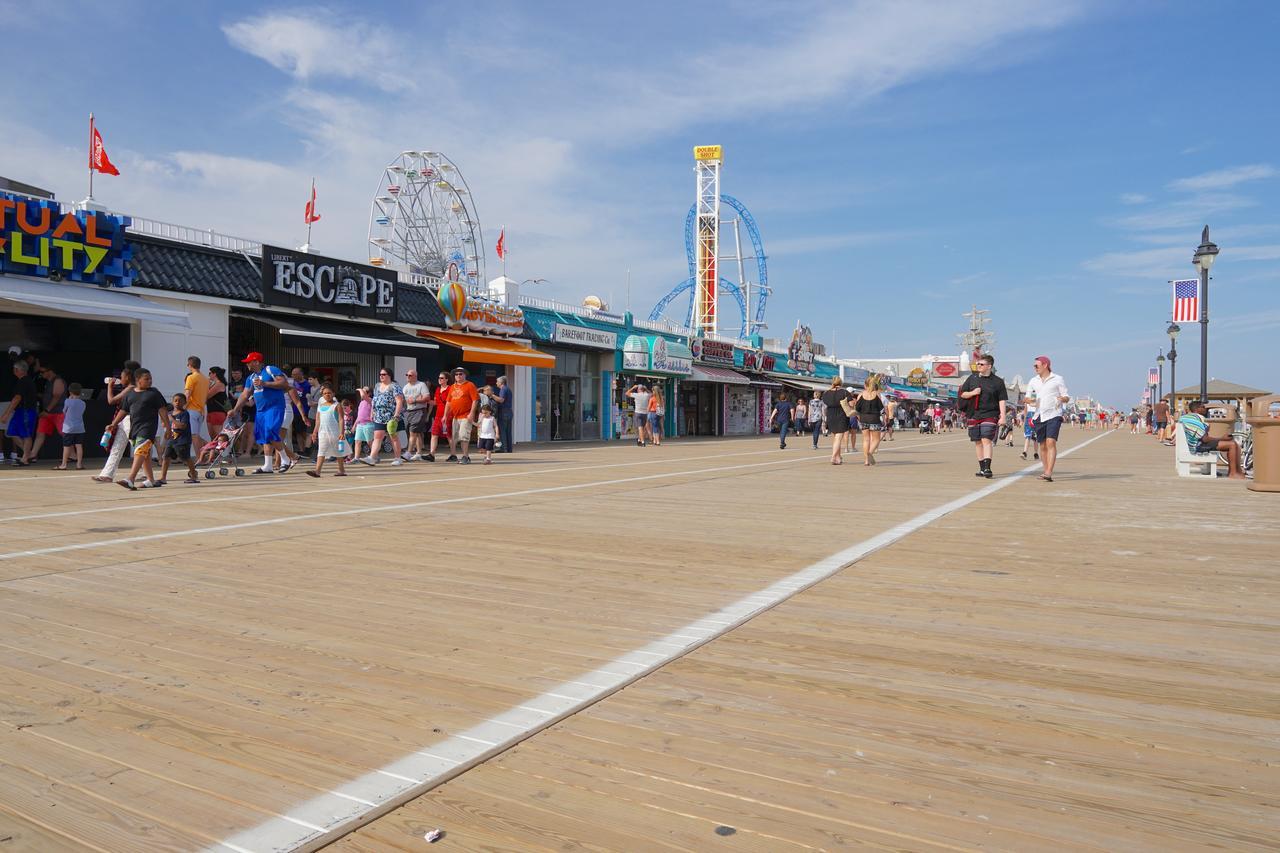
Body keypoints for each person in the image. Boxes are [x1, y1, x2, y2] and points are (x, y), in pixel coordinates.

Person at [226, 352, 296, 475]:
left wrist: (265, 383)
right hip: (260, 410)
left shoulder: (270, 370)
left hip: (274, 407)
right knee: (264, 437)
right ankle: (267, 466)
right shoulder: (251, 377)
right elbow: (245, 395)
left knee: (270, 431)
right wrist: (235, 409)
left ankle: (286, 459)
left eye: (249, 361)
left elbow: (284, 383)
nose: (247, 364)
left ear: (256, 362)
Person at [110, 368, 171, 490]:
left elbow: (162, 410)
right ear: (138, 380)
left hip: (148, 428)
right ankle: (150, 480)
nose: (150, 381)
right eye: (146, 379)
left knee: (140, 451)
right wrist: (114, 423)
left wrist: (168, 427)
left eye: (150, 378)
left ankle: (130, 479)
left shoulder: (154, 393)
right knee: (145, 454)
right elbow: (123, 410)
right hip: (135, 428)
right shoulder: (130, 394)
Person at [957, 353, 1009, 479]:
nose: (978, 366)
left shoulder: (998, 382)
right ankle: (981, 468)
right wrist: (973, 392)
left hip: (991, 414)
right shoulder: (972, 378)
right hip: (973, 414)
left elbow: (1002, 400)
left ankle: (987, 468)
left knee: (986, 439)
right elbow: (962, 394)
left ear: (989, 366)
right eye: (977, 364)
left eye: (981, 364)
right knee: (978, 442)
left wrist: (1003, 417)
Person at [1026, 355, 1070, 482]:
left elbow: (1066, 395)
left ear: (1045, 365)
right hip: (1038, 415)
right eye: (1034, 366)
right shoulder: (1033, 381)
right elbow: (1027, 398)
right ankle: (1045, 470)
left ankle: (1049, 472)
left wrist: (1063, 399)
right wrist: (1029, 400)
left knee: (1051, 442)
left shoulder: (1057, 379)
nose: (1034, 368)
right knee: (1043, 445)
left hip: (1054, 414)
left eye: (1036, 365)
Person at [1179, 400, 1246, 479]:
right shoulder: (1201, 419)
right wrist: (1222, 438)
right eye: (1203, 407)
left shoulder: (1186, 417)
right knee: (1232, 444)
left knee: (1233, 444)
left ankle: (1235, 471)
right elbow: (1205, 439)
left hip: (1190, 444)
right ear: (1197, 409)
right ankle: (1233, 473)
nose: (1205, 409)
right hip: (1197, 446)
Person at [359, 368, 405, 466]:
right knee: (377, 437)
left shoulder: (394, 386)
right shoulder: (377, 386)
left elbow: (399, 401)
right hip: (379, 415)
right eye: (380, 374)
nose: (381, 376)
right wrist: (372, 412)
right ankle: (372, 458)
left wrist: (396, 415)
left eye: (384, 374)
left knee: (393, 437)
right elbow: (375, 400)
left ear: (389, 375)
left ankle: (398, 458)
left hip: (391, 416)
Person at [0, 360, 38, 465]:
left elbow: (17, 398)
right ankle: (29, 454)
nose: (13, 371)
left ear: (18, 370)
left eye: (14, 369)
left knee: (26, 435)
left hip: (26, 411)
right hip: (21, 411)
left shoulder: (24, 381)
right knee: (11, 432)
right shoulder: (23, 381)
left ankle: (25, 459)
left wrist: (6, 414)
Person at [308, 384, 348, 478]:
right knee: (321, 451)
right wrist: (314, 432)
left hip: (335, 432)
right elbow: (318, 420)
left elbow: (341, 419)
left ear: (333, 393)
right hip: (323, 432)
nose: (327, 395)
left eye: (329, 393)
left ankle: (341, 470)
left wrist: (342, 432)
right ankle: (317, 471)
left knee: (338, 452)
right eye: (325, 393)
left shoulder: (337, 405)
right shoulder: (320, 405)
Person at [159, 392, 199, 485]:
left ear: (184, 403)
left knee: (186, 458)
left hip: (182, 440)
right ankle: (163, 477)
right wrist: (166, 430)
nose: (177, 402)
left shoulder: (184, 414)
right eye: (175, 400)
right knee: (166, 457)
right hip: (172, 439)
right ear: (172, 402)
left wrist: (171, 419)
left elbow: (182, 426)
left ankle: (194, 476)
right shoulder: (171, 413)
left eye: (180, 401)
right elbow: (167, 425)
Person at [30, 366, 66, 462]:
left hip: (58, 412)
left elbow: (57, 396)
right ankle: (33, 454)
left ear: (50, 370)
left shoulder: (58, 380)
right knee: (40, 432)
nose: (41, 374)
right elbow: (50, 395)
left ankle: (73, 455)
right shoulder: (49, 382)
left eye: (42, 372)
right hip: (48, 413)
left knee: (64, 433)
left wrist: (47, 410)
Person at [445, 367, 480, 463]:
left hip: (465, 415)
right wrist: (445, 415)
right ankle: (456, 455)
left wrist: (472, 413)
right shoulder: (452, 387)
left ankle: (465, 456)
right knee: (456, 437)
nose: (458, 376)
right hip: (455, 417)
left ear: (465, 375)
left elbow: (475, 400)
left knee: (464, 436)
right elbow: (448, 402)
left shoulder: (470, 385)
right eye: (456, 374)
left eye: (461, 374)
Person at [854, 374, 887, 466]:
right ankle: (870, 453)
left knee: (866, 440)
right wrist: (884, 419)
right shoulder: (877, 394)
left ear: (865, 385)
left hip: (863, 419)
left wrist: (859, 418)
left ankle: (866, 461)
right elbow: (881, 409)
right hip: (874, 419)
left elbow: (857, 409)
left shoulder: (860, 394)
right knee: (876, 439)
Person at [820, 377, 852, 465]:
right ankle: (833, 456)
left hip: (830, 415)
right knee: (838, 437)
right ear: (841, 383)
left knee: (835, 438)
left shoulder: (826, 393)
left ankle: (838, 457)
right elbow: (851, 403)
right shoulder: (845, 392)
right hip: (841, 415)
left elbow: (825, 403)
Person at [400, 368, 430, 461]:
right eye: (407, 375)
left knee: (413, 432)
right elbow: (403, 400)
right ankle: (419, 453)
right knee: (417, 433)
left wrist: (415, 400)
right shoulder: (405, 387)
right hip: (409, 411)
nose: (408, 377)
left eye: (410, 375)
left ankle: (408, 453)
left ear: (415, 376)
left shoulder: (421, 385)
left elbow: (427, 397)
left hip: (419, 410)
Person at [184, 355, 210, 455]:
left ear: (190, 365)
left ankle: (200, 458)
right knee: (196, 435)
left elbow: (187, 394)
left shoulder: (191, 377)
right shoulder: (206, 379)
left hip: (192, 409)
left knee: (194, 436)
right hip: (201, 411)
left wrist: (182, 408)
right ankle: (206, 451)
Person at [57, 383, 86, 470]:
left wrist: (70, 400)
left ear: (70, 392)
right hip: (80, 427)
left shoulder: (67, 401)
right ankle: (79, 464)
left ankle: (64, 464)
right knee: (79, 445)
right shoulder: (83, 403)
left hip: (69, 427)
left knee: (66, 446)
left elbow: (64, 411)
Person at [427, 371, 451, 462]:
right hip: (438, 415)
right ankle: (431, 454)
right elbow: (436, 402)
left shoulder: (450, 389)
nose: (439, 379)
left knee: (449, 435)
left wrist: (445, 415)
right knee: (434, 434)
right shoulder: (437, 389)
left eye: (442, 378)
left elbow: (450, 403)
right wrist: (425, 400)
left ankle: (453, 454)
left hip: (447, 415)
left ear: (446, 379)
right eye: (439, 378)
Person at [352, 386, 374, 462]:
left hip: (368, 424)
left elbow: (363, 396)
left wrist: (360, 390)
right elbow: (359, 416)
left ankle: (375, 456)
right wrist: (354, 425)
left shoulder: (371, 400)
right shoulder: (361, 403)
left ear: (369, 393)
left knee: (369, 441)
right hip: (360, 424)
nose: (363, 393)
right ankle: (356, 458)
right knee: (357, 441)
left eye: (366, 392)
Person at [206, 367, 230, 436]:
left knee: (218, 436)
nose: (209, 375)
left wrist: (207, 384)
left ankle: (223, 447)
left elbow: (207, 396)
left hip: (217, 412)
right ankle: (214, 447)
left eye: (210, 373)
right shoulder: (214, 384)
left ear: (214, 374)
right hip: (211, 411)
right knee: (213, 436)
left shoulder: (219, 384)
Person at [494, 375, 514, 453]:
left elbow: (501, 400)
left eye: (497, 382)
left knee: (502, 431)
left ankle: (503, 448)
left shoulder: (503, 389)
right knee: (508, 431)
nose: (496, 383)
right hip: (509, 412)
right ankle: (509, 449)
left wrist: (492, 395)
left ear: (501, 382)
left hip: (504, 412)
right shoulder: (508, 389)